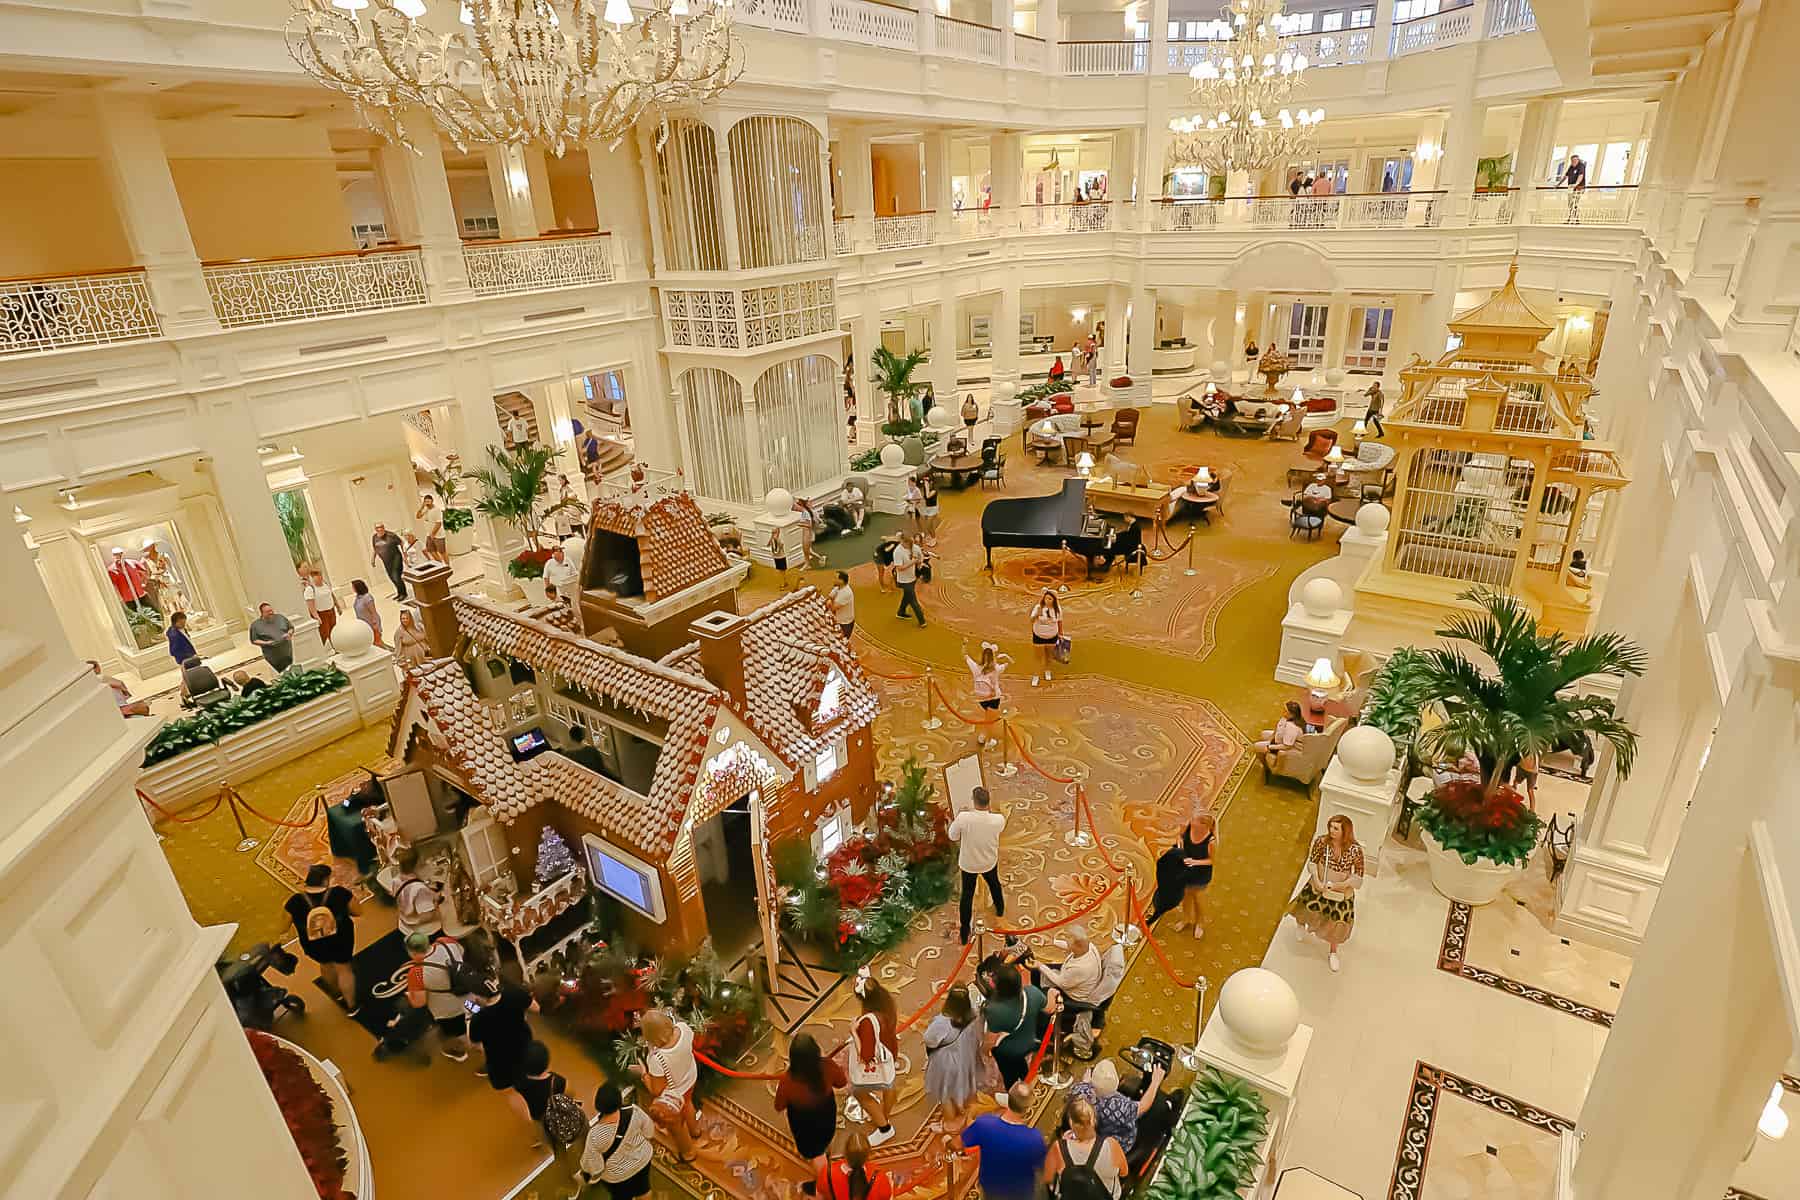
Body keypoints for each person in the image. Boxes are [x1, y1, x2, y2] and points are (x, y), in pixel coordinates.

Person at [1287, 814, 1365, 971]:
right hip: (1319, 884)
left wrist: (1341, 885)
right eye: (1330, 826)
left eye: (1336, 828)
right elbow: (1313, 862)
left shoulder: (1355, 850)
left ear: (1345, 831)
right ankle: (1301, 925)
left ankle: (1333, 951)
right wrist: (1316, 880)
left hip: (1340, 891)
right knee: (1306, 907)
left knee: (1336, 922)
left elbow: (1358, 876)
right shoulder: (1322, 842)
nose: (1331, 831)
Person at [632, 1009, 706, 1161]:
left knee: (676, 1125)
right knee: (688, 1104)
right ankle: (695, 1131)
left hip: (675, 1094)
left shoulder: (657, 1059)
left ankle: (688, 1152)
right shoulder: (684, 1029)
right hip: (690, 1078)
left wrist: (644, 1074)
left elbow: (657, 1090)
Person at [283, 863, 359, 1012]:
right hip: (341, 940)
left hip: (313, 944)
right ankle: (352, 1006)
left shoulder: (294, 902)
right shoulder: (340, 894)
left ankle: (337, 995)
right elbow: (358, 912)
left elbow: (283, 928)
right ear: (325, 880)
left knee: (325, 965)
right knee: (344, 970)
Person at [774, 1031, 848, 1180]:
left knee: (815, 1153)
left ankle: (826, 1183)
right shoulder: (826, 1065)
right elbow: (842, 1082)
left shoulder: (788, 1081)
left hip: (803, 1122)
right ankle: (826, 1156)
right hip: (826, 1113)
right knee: (826, 1139)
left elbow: (779, 1105)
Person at [961, 1082, 1050, 1200]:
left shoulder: (985, 1123)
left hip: (991, 1187)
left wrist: (948, 1141)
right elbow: (1042, 1166)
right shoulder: (1034, 1138)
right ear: (1027, 1108)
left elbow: (961, 1142)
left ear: (1008, 1099)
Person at [1147, 795, 1216, 936]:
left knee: (1198, 899)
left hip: (1200, 874)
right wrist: (1180, 845)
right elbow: (1180, 836)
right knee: (1185, 897)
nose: (1192, 821)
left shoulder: (1211, 841)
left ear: (1204, 825)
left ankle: (1199, 923)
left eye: (1195, 820)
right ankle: (1186, 919)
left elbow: (1211, 861)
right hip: (1184, 869)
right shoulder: (1189, 827)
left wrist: (1195, 862)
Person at [1068, 1058, 1164, 1157]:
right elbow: (1144, 1106)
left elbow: (1078, 1091)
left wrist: (1085, 1083)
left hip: (1093, 1140)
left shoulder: (1078, 1091)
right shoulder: (1121, 1107)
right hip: (1115, 1146)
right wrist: (1155, 1081)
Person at [923, 985, 985, 1132]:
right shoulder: (974, 1014)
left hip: (947, 1061)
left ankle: (951, 1123)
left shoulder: (942, 1022)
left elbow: (929, 1040)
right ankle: (964, 1108)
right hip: (966, 1055)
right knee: (964, 1082)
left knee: (945, 1092)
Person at [950, 786, 1007, 944]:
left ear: (973, 802)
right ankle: (1000, 908)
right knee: (994, 884)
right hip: (989, 861)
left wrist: (959, 817)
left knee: (967, 895)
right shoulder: (999, 819)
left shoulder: (964, 818)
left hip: (969, 864)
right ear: (989, 802)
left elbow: (953, 836)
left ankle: (964, 932)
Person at [848, 972, 900, 1146]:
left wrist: (854, 1032)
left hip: (876, 1063)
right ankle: (884, 1114)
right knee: (889, 1085)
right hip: (889, 1055)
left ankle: (885, 1128)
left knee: (859, 1092)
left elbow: (866, 1056)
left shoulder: (867, 1022)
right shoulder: (887, 1005)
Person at [983, 957, 1049, 1093]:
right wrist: (1053, 994)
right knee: (1021, 1067)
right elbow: (1049, 1009)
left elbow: (991, 1040)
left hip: (1007, 1051)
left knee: (1009, 1076)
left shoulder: (994, 1010)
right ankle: (1026, 1081)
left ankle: (1014, 1095)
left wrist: (984, 1051)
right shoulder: (1033, 993)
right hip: (1028, 1042)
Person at [579, 1082, 654, 1200]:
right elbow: (649, 1132)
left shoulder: (595, 1135)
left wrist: (592, 1176)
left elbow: (595, 1166)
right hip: (643, 1160)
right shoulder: (634, 1111)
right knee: (643, 1190)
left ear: (598, 1104)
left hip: (617, 1176)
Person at [408, 929, 475, 1061]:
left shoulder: (416, 973)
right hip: (469, 999)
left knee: (457, 1033)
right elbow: (461, 953)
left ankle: (459, 1051)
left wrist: (410, 996)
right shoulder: (446, 942)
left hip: (447, 1012)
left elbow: (418, 1002)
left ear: (412, 952)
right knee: (476, 1015)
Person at [1048, 1095, 1127, 1199]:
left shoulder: (1058, 1148)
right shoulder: (1111, 1145)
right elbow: (1124, 1173)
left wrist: (1064, 1144)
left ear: (1071, 1123)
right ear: (1093, 1120)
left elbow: (1050, 1180)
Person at [470, 980, 538, 1091]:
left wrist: (470, 1008)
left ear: (481, 997)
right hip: (525, 1044)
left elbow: (476, 1044)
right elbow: (536, 1008)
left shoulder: (478, 1017)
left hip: (500, 1060)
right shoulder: (513, 994)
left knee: (508, 1091)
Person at [816, 1131, 893, 1200]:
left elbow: (823, 1193)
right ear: (869, 1154)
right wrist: (890, 1183)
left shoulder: (826, 1173)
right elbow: (886, 1196)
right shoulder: (879, 1176)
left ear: (844, 1153)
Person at [961, 640, 1011, 745]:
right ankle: (986, 740)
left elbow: (965, 655)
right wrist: (1006, 657)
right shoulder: (997, 669)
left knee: (988, 717)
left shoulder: (976, 667)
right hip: (993, 698)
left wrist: (965, 644)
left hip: (981, 698)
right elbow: (1009, 663)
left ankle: (984, 736)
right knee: (989, 722)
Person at [393, 846, 443, 938]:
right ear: (417, 866)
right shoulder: (420, 890)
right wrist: (437, 899)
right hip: (424, 928)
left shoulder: (396, 880)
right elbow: (428, 916)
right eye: (422, 863)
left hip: (405, 924)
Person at [1029, 590, 1063, 685]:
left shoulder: (1057, 609)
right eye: (1046, 598)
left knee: (1049, 656)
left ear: (1054, 600)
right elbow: (1031, 620)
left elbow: (1060, 622)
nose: (1047, 600)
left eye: (1050, 598)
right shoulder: (1038, 607)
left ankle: (1047, 671)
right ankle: (1036, 676)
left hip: (1052, 636)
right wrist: (1037, 614)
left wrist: (1061, 635)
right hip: (1038, 635)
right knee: (1038, 658)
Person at [249, 603, 294, 672]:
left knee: (291, 669)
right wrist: (266, 643)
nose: (271, 613)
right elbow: (254, 640)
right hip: (273, 655)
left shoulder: (280, 617)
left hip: (287, 651)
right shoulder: (255, 625)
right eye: (268, 612)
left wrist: (289, 633)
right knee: (282, 672)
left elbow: (290, 628)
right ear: (262, 613)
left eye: (271, 610)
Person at [892, 532, 925, 627]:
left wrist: (919, 563)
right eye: (907, 542)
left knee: (907, 596)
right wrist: (913, 562)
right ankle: (922, 621)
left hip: (912, 577)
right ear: (902, 541)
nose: (909, 544)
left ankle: (900, 612)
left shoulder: (914, 547)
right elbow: (899, 568)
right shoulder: (898, 552)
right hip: (903, 581)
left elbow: (920, 556)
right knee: (913, 600)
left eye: (910, 542)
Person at [303, 569, 339, 646]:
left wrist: (337, 606)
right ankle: (322, 648)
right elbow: (310, 604)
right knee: (324, 632)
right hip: (321, 614)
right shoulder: (310, 589)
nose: (319, 577)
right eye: (316, 576)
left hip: (331, 611)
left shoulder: (325, 584)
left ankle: (335, 646)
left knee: (333, 631)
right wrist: (316, 616)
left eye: (320, 575)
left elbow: (331, 595)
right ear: (312, 578)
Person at [371, 522, 406, 600]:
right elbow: (375, 549)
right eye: (378, 528)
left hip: (396, 558)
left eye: (381, 527)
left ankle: (404, 593)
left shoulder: (391, 535)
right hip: (386, 561)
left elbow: (401, 543)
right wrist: (373, 559)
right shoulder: (374, 537)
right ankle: (399, 592)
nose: (380, 529)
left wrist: (405, 554)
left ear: (383, 527)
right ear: (375, 529)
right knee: (391, 577)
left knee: (396, 576)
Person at [351, 579, 384, 648]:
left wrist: (375, 625)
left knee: (377, 643)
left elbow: (373, 612)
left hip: (372, 623)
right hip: (364, 625)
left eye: (353, 587)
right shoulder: (358, 597)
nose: (352, 589)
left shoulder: (367, 597)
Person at [417, 493, 449, 564]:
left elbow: (439, 523)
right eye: (426, 501)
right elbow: (418, 516)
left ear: (432, 501)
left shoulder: (437, 510)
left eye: (428, 501)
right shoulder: (425, 510)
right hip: (429, 534)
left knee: (442, 551)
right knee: (431, 550)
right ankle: (440, 564)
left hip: (438, 535)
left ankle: (448, 566)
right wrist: (422, 507)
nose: (427, 503)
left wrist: (433, 534)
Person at [1559, 153, 1587, 223]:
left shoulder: (1581, 166)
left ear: (1578, 160)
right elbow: (1565, 176)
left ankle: (1575, 219)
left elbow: (1581, 176)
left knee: (1575, 203)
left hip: (1578, 187)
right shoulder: (1571, 166)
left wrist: (1576, 184)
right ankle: (1573, 218)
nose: (1573, 162)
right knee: (1570, 204)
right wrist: (1558, 184)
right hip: (1571, 188)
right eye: (1572, 161)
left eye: (1575, 160)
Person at [830, 570, 856, 640]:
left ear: (841, 581)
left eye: (835, 578)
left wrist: (831, 601)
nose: (833, 580)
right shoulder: (838, 588)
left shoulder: (845, 593)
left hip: (845, 624)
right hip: (841, 621)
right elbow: (830, 597)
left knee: (843, 642)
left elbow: (832, 608)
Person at [919, 474, 940, 545]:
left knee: (928, 526)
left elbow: (928, 496)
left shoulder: (934, 490)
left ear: (931, 482)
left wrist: (926, 486)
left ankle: (934, 539)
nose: (926, 482)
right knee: (929, 525)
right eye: (925, 480)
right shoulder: (926, 487)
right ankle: (931, 536)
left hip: (933, 509)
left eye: (927, 481)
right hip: (927, 508)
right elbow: (924, 498)